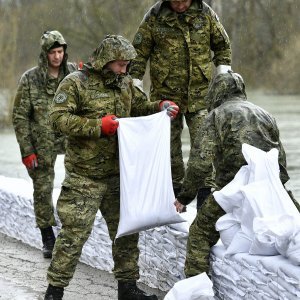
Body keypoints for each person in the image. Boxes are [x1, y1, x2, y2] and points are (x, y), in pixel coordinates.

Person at [44, 35, 179, 300]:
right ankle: (54, 291)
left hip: (119, 175)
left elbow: (140, 107)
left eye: (127, 65)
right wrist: (97, 127)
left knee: (127, 234)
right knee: (73, 236)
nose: (124, 70)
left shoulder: (126, 83)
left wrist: (160, 106)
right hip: (85, 177)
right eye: (120, 64)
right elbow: (57, 119)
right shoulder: (75, 83)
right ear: (106, 61)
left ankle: (127, 289)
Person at [174, 71, 300, 278]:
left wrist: (184, 197)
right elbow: (280, 161)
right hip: (269, 186)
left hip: (233, 190)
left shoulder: (216, 116)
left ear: (215, 92)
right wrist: (276, 189)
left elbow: (199, 164)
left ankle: (195, 287)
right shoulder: (264, 114)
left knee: (199, 233)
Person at [130, 0, 232, 203]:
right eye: (176, 1)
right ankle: (175, 193)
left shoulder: (206, 14)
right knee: (168, 147)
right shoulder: (154, 17)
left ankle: (205, 193)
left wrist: (223, 78)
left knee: (204, 144)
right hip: (165, 95)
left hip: (201, 94)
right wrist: (135, 88)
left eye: (184, 1)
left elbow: (222, 47)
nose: (180, 5)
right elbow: (138, 55)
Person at [12, 30, 77, 259]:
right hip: (41, 140)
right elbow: (20, 117)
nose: (57, 57)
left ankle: (73, 230)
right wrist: (27, 150)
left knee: (79, 181)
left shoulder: (72, 74)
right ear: (45, 54)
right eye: (53, 53)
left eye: (60, 52)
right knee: (42, 188)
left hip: (69, 135)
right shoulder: (30, 79)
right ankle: (48, 237)